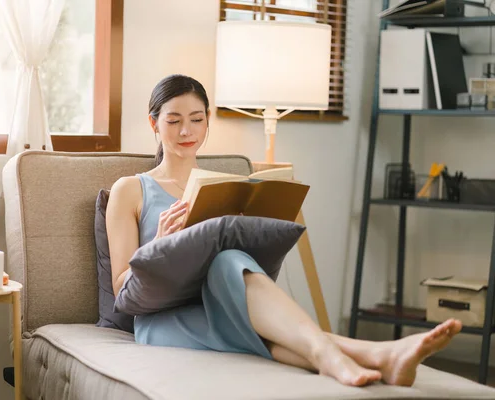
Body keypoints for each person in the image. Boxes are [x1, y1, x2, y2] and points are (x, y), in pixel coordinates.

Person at [106, 74, 462, 387]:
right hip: (164, 317)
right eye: (174, 121)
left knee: (231, 257)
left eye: (196, 119)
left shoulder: (223, 184)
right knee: (257, 328)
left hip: (222, 293)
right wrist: (159, 244)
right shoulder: (131, 190)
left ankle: (371, 359)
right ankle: (367, 354)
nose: (187, 131)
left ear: (207, 121)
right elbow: (122, 286)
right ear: (154, 124)